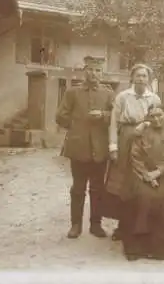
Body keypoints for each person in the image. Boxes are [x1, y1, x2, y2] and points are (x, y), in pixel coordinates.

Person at [55, 55, 114, 239]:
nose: (93, 73)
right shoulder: (73, 93)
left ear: (102, 73)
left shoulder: (108, 93)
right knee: (78, 188)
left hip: (100, 149)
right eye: (90, 69)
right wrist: (76, 126)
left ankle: (95, 225)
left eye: (97, 70)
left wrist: (103, 115)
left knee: (97, 188)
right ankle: (75, 225)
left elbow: (115, 116)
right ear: (84, 71)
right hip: (79, 148)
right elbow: (60, 116)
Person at [103, 63, 161, 241]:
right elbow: (114, 122)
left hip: (146, 141)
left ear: (149, 79)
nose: (141, 79)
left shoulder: (154, 99)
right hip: (126, 138)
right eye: (138, 76)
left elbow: (158, 122)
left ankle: (141, 225)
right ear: (132, 78)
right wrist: (113, 146)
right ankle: (122, 226)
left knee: (142, 181)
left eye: (144, 76)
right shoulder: (123, 97)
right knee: (124, 183)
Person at [122, 105, 164, 261]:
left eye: (159, 115)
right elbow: (135, 158)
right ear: (147, 118)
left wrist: (159, 172)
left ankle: (159, 246)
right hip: (143, 175)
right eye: (152, 116)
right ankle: (137, 247)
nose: (156, 119)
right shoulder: (142, 135)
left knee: (160, 197)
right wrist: (146, 175)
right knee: (142, 196)